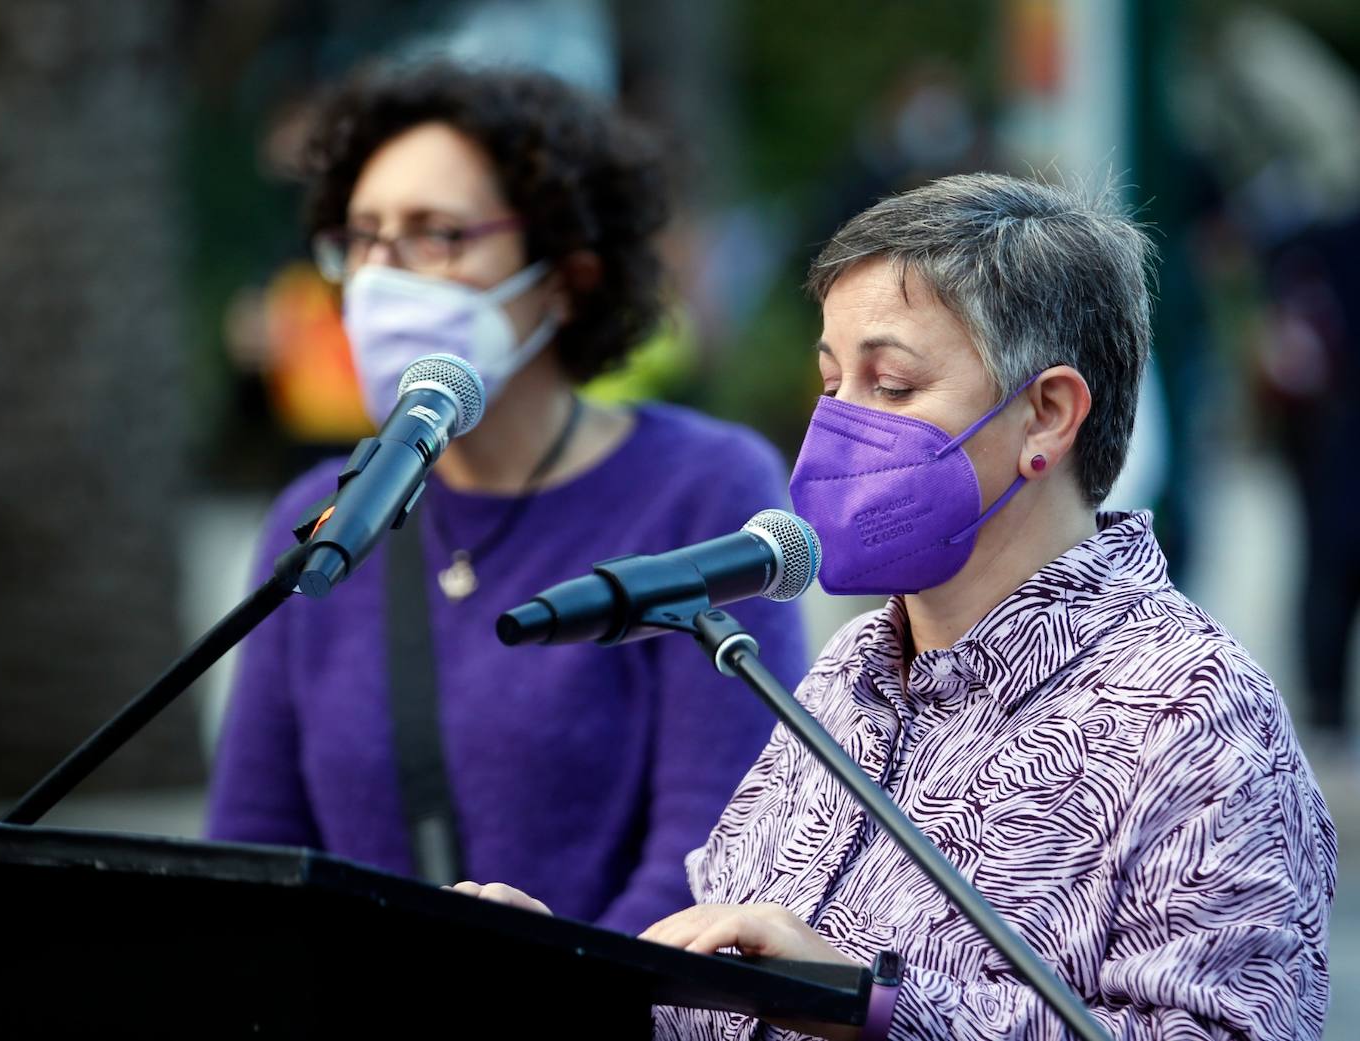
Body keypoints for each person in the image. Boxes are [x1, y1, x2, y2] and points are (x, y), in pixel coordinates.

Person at [460, 174, 1336, 1039]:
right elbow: (718, 989)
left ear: (1046, 416)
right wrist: (565, 974)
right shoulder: (846, 675)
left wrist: (873, 1004)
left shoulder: (1197, 709)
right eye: (832, 381)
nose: (837, 426)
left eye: (892, 385)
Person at [205, 61, 805, 936]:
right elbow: (250, 861)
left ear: (567, 274)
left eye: (437, 235)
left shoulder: (705, 489)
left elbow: (720, 859)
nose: (381, 277)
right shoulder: (323, 521)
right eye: (362, 237)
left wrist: (547, 990)